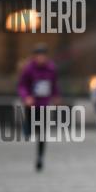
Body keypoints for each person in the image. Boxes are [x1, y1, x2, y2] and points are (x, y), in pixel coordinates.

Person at [17, 43, 60, 172]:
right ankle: (27, 128)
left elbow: (54, 85)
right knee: (30, 125)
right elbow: (22, 85)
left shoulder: (51, 69)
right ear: (34, 57)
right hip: (31, 104)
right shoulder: (28, 69)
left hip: (43, 105)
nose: (41, 58)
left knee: (42, 133)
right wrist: (26, 97)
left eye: (43, 56)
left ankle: (40, 157)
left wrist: (56, 96)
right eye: (38, 56)